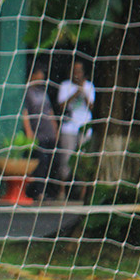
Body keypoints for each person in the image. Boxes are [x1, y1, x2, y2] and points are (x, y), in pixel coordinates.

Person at [22, 65, 60, 200]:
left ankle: (49, 191)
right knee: (41, 163)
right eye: (39, 74)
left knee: (51, 162)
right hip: (38, 134)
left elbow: (50, 111)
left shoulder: (44, 92)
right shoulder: (27, 92)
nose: (42, 77)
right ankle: (38, 192)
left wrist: (55, 128)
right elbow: (25, 112)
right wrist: (29, 131)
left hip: (49, 133)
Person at [56, 60, 95, 190]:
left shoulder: (89, 86)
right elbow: (61, 105)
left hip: (84, 127)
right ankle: (62, 190)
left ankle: (82, 192)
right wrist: (76, 92)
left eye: (79, 71)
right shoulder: (65, 85)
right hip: (68, 128)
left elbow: (91, 106)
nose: (77, 74)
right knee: (66, 159)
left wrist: (83, 91)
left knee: (84, 160)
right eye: (74, 70)